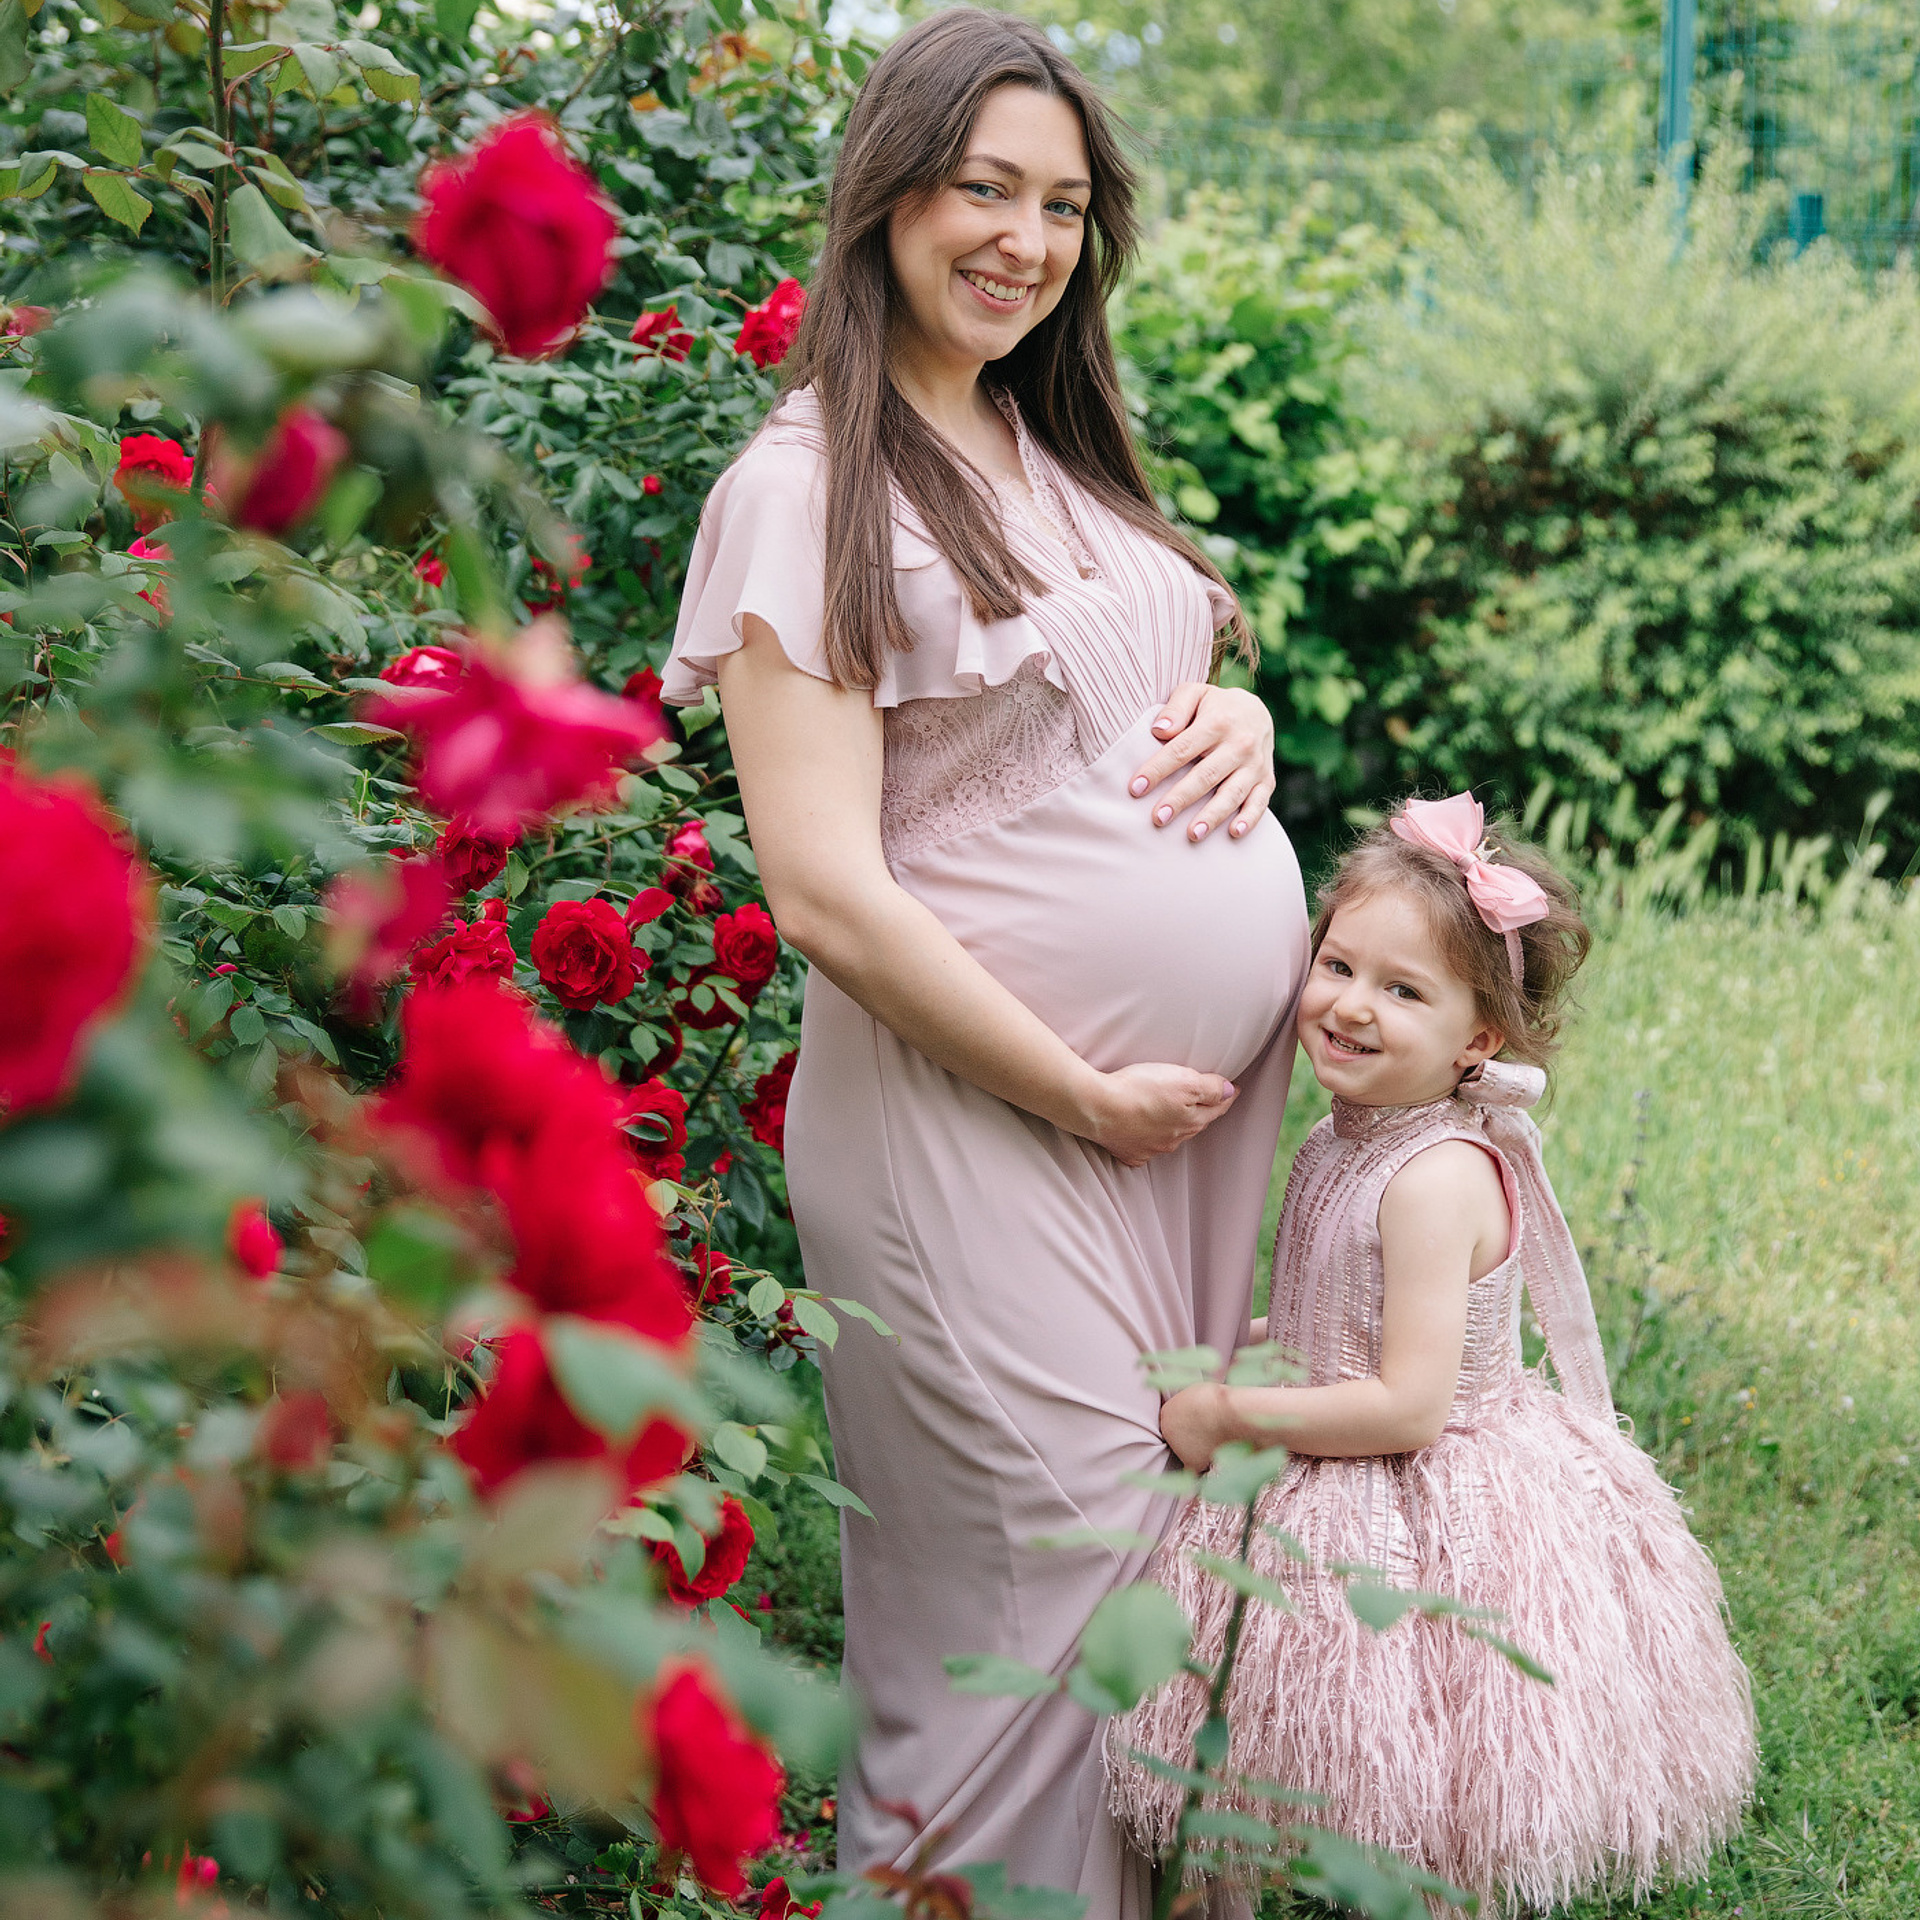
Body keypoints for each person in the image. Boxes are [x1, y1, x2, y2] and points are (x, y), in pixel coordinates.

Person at [660, 10, 1310, 1912]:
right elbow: (827, 896)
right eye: (982, 189)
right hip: (974, 1129)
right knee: (1048, 1608)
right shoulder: (806, 483)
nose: (1021, 238)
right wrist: (1082, 1085)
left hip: (1147, 1134)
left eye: (1060, 203)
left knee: (1153, 1587)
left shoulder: (1040, 440)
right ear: (887, 195)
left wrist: (1242, 709)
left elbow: (1133, 697)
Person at [1108, 794, 1756, 1912]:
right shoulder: (1342, 1135)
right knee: (1248, 1735)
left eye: (1403, 991)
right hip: (1329, 1449)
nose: (1351, 1008)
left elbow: (1408, 1403)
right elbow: (1332, 1319)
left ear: (1478, 1038)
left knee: (1431, 1789)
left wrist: (1224, 1416)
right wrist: (1243, 1345)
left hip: (1423, 1495)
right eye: (1340, 965)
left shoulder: (1437, 1177)